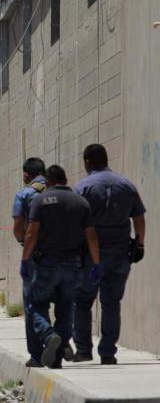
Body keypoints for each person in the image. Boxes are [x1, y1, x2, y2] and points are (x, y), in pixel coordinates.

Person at [72, 144, 146, 365]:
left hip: (90, 257)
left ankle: (84, 350)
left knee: (83, 301)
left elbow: (76, 223)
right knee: (112, 303)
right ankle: (108, 353)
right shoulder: (126, 185)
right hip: (120, 252)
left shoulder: (82, 187)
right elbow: (139, 217)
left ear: (87, 162)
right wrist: (140, 244)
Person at [21, 165, 101, 368]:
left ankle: (48, 335)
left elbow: (31, 233)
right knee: (66, 310)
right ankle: (56, 357)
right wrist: (96, 263)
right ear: (65, 179)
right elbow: (91, 235)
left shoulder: (40, 200)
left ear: (47, 182)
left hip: (46, 263)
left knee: (36, 304)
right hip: (73, 265)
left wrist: (24, 260)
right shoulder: (81, 202)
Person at [11, 157, 47, 367]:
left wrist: (22, 242)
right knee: (61, 302)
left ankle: (37, 354)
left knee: (32, 303)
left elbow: (18, 226)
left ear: (26, 174)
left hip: (34, 255)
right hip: (63, 256)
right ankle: (59, 342)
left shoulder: (24, 194)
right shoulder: (57, 191)